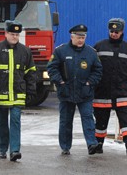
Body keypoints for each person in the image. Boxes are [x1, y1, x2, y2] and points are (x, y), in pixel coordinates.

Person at [0, 20, 37, 162]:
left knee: (16, 121)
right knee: (2, 123)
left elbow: (31, 73)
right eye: (12, 34)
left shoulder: (25, 51)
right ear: (5, 33)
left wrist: (31, 91)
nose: (14, 37)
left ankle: (15, 150)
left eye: (17, 34)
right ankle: (2, 149)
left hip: (17, 95)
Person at [47, 24, 103, 156]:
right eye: (78, 37)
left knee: (88, 118)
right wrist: (60, 82)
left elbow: (98, 70)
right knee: (66, 121)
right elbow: (52, 68)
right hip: (66, 91)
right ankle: (65, 146)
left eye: (83, 37)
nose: (80, 40)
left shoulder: (91, 52)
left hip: (85, 92)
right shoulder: (61, 51)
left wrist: (90, 83)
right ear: (71, 36)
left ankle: (92, 144)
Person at [93, 18, 127, 156]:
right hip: (101, 92)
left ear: (122, 31)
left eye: (117, 31)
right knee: (100, 122)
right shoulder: (99, 46)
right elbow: (91, 68)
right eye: (112, 31)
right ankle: (98, 145)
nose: (114, 34)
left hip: (122, 92)